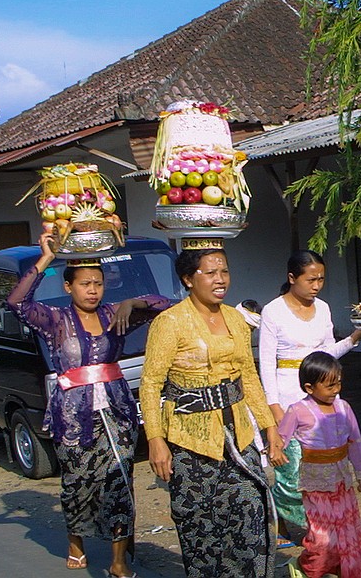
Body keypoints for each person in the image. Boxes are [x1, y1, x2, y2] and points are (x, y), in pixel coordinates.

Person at [7, 231, 170, 577]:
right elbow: (17, 303)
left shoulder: (115, 313)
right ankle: (76, 543)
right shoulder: (55, 320)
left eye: (98, 283)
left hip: (117, 414)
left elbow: (165, 305)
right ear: (69, 287)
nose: (93, 290)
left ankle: (118, 561)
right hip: (72, 418)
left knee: (120, 481)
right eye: (84, 284)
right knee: (77, 483)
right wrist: (46, 258)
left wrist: (134, 303)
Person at [140, 240, 286, 578]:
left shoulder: (236, 318)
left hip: (240, 435)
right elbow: (150, 384)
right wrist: (155, 440)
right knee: (202, 528)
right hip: (191, 442)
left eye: (224, 271)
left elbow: (248, 376)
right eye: (210, 273)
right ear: (189, 279)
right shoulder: (170, 322)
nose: (220, 279)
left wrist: (269, 427)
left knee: (251, 514)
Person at [258, 250, 361, 544]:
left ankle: (321, 525)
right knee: (291, 471)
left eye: (321, 279)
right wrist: (273, 407)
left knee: (324, 470)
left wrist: (355, 337)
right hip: (288, 398)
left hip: (323, 400)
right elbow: (266, 364)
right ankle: (283, 518)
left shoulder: (323, 309)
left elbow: (327, 354)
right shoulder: (273, 311)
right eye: (310, 280)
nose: (316, 286)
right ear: (292, 278)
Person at [279, 351, 361, 578]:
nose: (336, 390)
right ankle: (304, 567)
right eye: (330, 386)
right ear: (309, 388)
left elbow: (355, 442)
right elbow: (280, 440)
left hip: (343, 485)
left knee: (349, 536)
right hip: (315, 486)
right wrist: (274, 451)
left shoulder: (345, 408)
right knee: (322, 540)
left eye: (338, 383)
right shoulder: (297, 411)